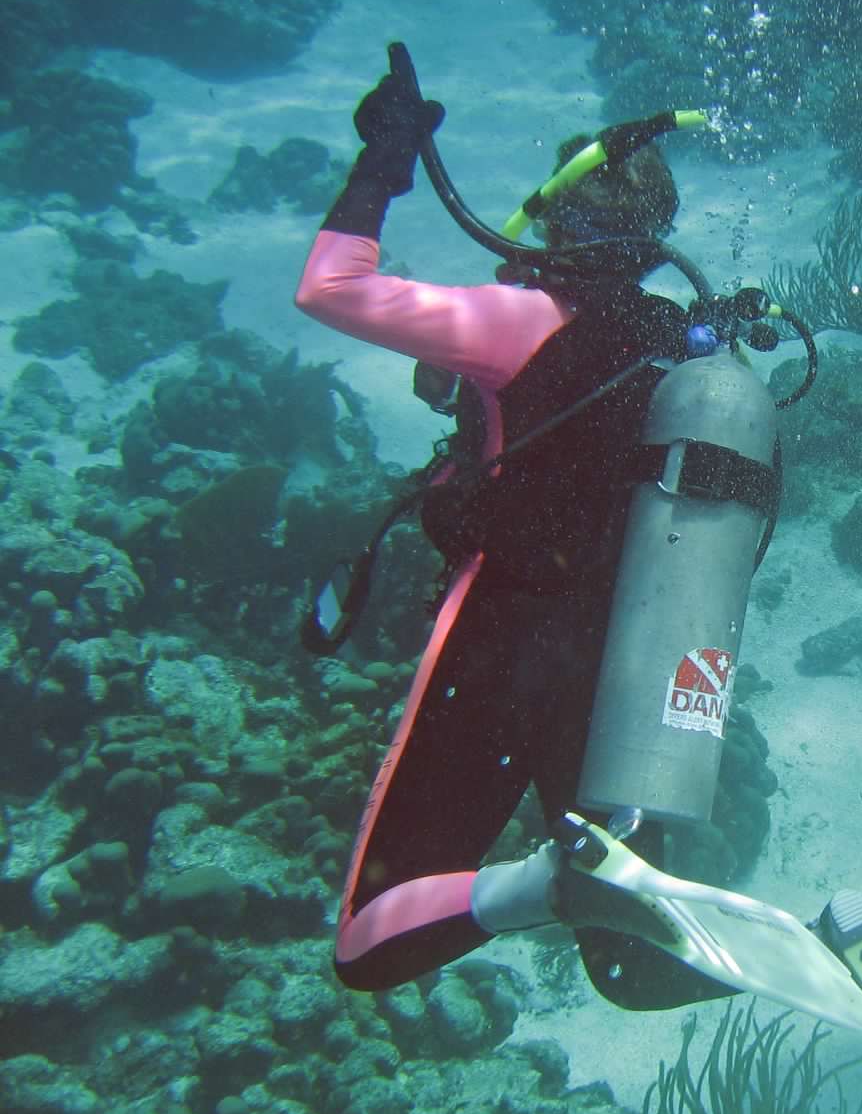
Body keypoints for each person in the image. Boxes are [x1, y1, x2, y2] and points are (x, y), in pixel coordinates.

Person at [294, 64, 736, 1010]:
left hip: (499, 640)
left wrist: (383, 162)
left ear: (565, 221)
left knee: (370, 946)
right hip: (620, 652)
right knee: (631, 965)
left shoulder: (508, 320)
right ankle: (785, 950)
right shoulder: (679, 338)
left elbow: (328, 288)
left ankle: (538, 888)